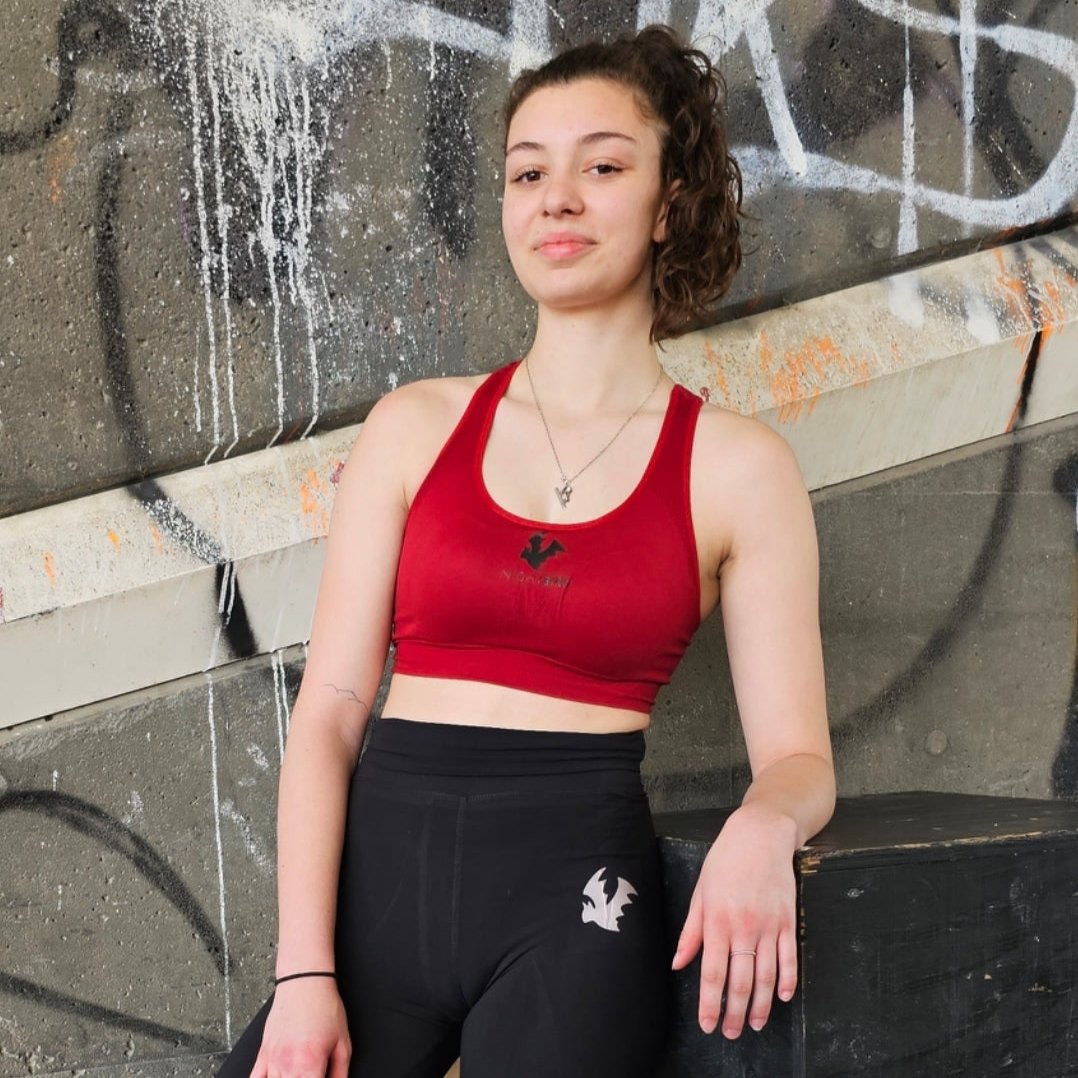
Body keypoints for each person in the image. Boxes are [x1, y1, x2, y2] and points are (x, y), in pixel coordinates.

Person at [217, 23, 835, 1078]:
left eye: (602, 166)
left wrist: (762, 826)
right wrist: (302, 975)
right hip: (374, 905)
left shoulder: (736, 468)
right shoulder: (416, 428)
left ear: (669, 202)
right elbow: (325, 714)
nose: (557, 198)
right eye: (527, 171)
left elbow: (799, 760)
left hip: (576, 907)